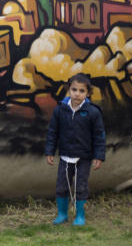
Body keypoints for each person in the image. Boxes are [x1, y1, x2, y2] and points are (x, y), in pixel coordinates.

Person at [44, 72, 106, 226]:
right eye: (74, 90)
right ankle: (62, 214)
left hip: (83, 158)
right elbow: (53, 132)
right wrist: (49, 151)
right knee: (62, 186)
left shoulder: (93, 112)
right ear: (68, 90)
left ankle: (80, 216)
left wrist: (99, 156)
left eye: (82, 91)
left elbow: (99, 135)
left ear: (88, 93)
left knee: (81, 187)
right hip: (65, 156)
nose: (77, 94)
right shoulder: (60, 110)